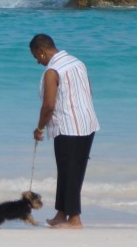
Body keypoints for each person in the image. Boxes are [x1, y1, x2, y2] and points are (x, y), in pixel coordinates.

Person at [29, 34, 100, 229]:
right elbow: (89, 92)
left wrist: (39, 128)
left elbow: (48, 106)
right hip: (87, 122)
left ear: (41, 51)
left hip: (69, 127)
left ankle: (75, 219)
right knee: (69, 170)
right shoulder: (77, 62)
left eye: (36, 57)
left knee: (69, 172)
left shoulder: (53, 71)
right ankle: (61, 214)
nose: (38, 62)